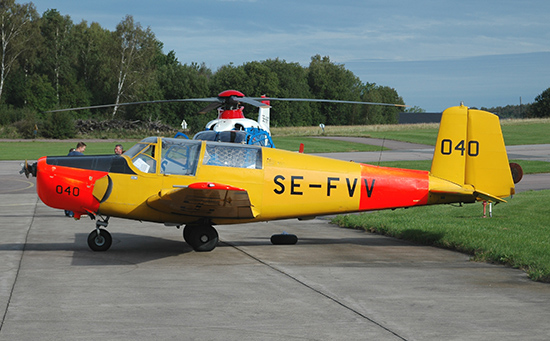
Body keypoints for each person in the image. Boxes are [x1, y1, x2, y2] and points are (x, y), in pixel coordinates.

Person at [64, 142, 86, 217]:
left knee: (68, 195)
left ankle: (67, 211)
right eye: (83, 148)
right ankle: (72, 212)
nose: (84, 150)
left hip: (67, 177)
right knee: (75, 196)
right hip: (76, 178)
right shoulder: (81, 156)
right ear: (80, 147)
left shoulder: (70, 154)